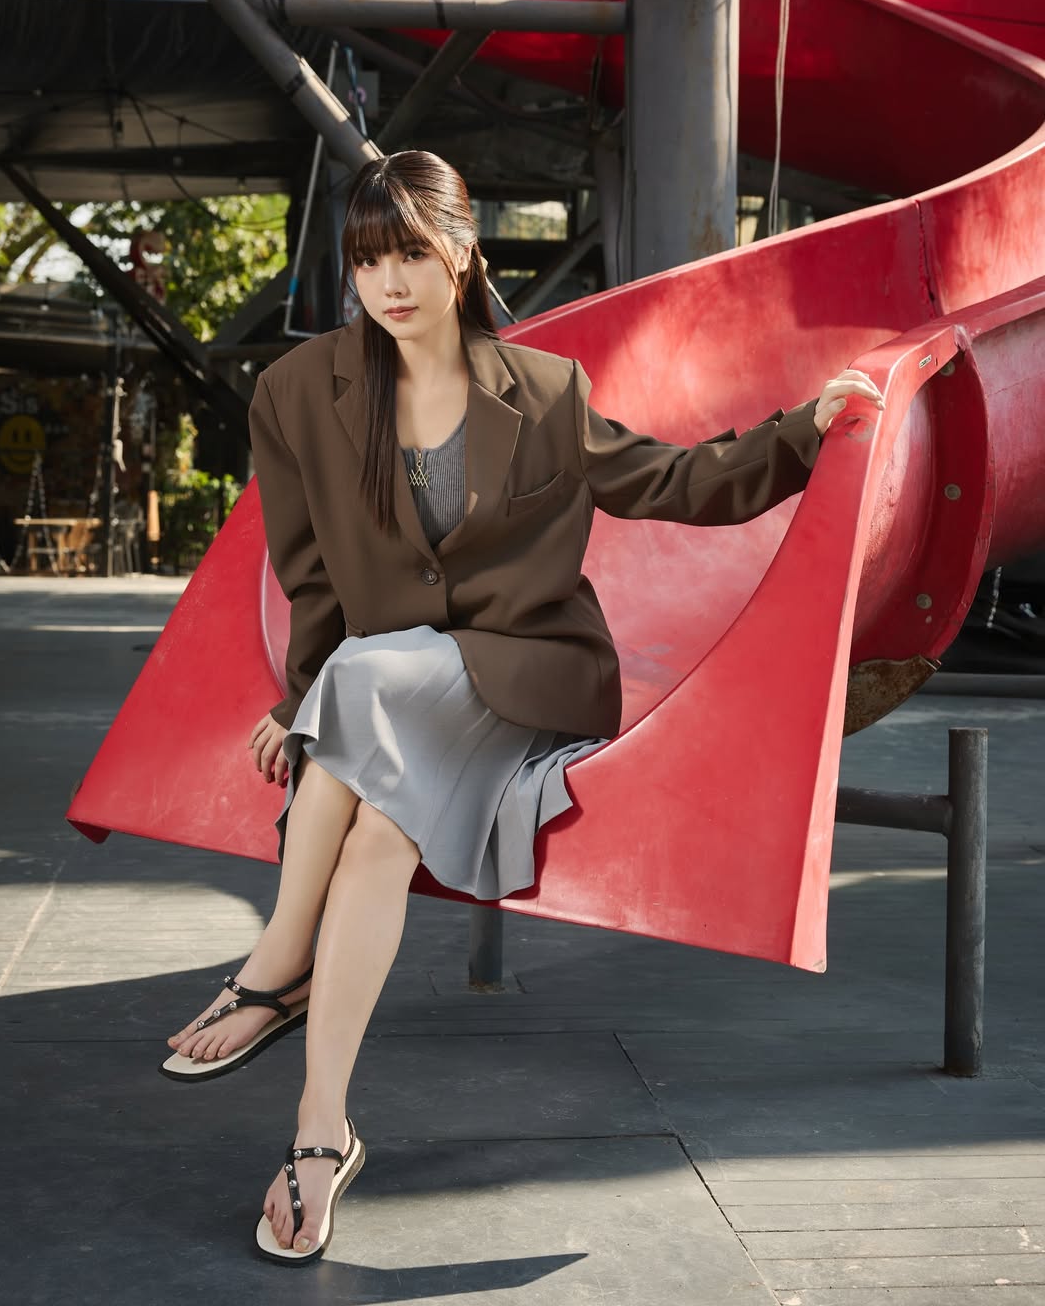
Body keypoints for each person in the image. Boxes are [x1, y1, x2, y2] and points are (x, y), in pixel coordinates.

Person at [159, 151, 885, 1264]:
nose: (389, 282)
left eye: (411, 254)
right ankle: (320, 1132)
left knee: (359, 681)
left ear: (461, 256)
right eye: (368, 261)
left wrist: (804, 430)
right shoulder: (297, 394)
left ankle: (276, 965)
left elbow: (673, 481)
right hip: (394, 695)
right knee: (377, 839)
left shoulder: (544, 393)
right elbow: (309, 579)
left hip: (528, 677)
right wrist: (306, 695)